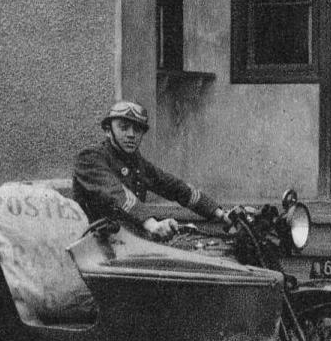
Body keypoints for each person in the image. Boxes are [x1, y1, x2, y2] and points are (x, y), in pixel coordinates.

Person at [73, 100, 228, 239]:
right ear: (108, 131)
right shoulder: (90, 157)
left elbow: (174, 187)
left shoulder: (135, 161)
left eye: (137, 130)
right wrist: (152, 224)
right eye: (124, 128)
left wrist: (220, 214)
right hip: (92, 242)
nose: (131, 135)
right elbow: (116, 192)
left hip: (126, 241)